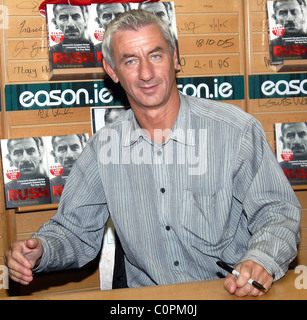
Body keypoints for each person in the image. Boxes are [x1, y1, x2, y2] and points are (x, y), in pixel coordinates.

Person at [5, 10, 301, 297]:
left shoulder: (235, 131)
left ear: (174, 58)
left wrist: (261, 258)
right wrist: (42, 250)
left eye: (155, 55)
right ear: (112, 71)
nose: (146, 73)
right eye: (130, 60)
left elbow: (278, 213)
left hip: (228, 292)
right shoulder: (103, 149)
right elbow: (75, 230)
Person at [4, 137, 50, 207]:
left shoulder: (53, 184)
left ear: (40, 155)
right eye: (18, 153)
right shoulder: (6, 190)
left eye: (31, 151)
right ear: (10, 159)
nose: (25, 159)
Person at [49, 134, 87, 202]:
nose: (69, 155)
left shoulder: (95, 180)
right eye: (62, 149)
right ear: (54, 154)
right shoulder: (50, 186)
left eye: (74, 147)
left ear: (83, 150)